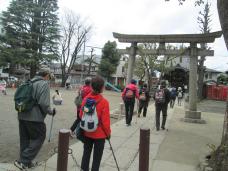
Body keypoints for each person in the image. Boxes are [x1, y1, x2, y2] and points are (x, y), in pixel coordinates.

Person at [14, 69, 56, 170]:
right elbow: (44, 103)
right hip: (35, 118)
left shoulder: (27, 82)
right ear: (46, 76)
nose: (49, 79)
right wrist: (51, 112)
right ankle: (23, 161)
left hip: (22, 115)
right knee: (39, 137)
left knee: (25, 140)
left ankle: (26, 163)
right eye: (49, 77)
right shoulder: (43, 84)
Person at [80, 76, 111, 171]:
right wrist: (108, 134)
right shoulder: (104, 102)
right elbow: (106, 122)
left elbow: (81, 115)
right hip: (100, 134)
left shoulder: (85, 99)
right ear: (102, 88)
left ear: (91, 86)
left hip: (87, 132)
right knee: (97, 158)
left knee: (86, 154)